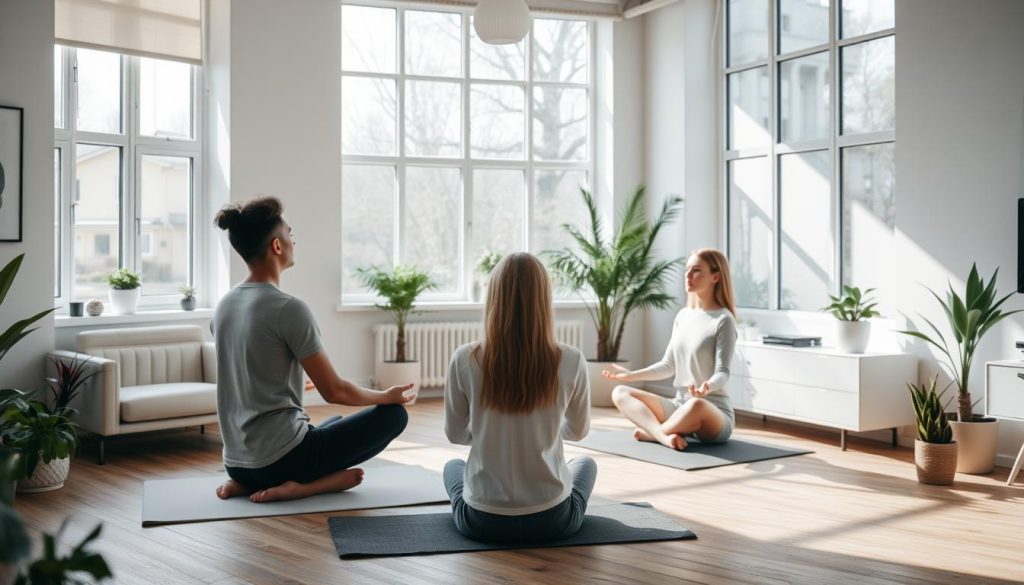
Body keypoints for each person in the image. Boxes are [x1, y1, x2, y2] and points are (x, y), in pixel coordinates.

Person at [212, 196, 413, 503]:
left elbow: (250, 372)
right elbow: (335, 391)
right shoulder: (289, 309)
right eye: (289, 234)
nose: (294, 240)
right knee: (394, 416)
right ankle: (305, 487)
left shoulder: (224, 306)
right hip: (281, 461)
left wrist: (292, 381)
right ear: (277, 246)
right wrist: (386, 396)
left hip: (237, 463)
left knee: (328, 424)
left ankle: (247, 483)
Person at [443, 253, 596, 543]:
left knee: (452, 467)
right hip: (553, 520)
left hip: (482, 522)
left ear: (494, 297)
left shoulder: (464, 358)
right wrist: (544, 432)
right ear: (544, 298)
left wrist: (490, 435)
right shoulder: (572, 359)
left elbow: (455, 435)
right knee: (586, 463)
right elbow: (578, 431)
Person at [604, 248, 738, 451]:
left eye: (696, 270)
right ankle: (664, 436)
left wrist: (706, 387)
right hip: (679, 407)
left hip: (712, 412)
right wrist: (631, 376)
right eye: (687, 270)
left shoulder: (724, 320)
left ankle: (655, 434)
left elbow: (723, 373)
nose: (688, 275)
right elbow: (667, 365)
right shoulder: (683, 316)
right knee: (620, 392)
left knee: (696, 404)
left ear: (715, 277)